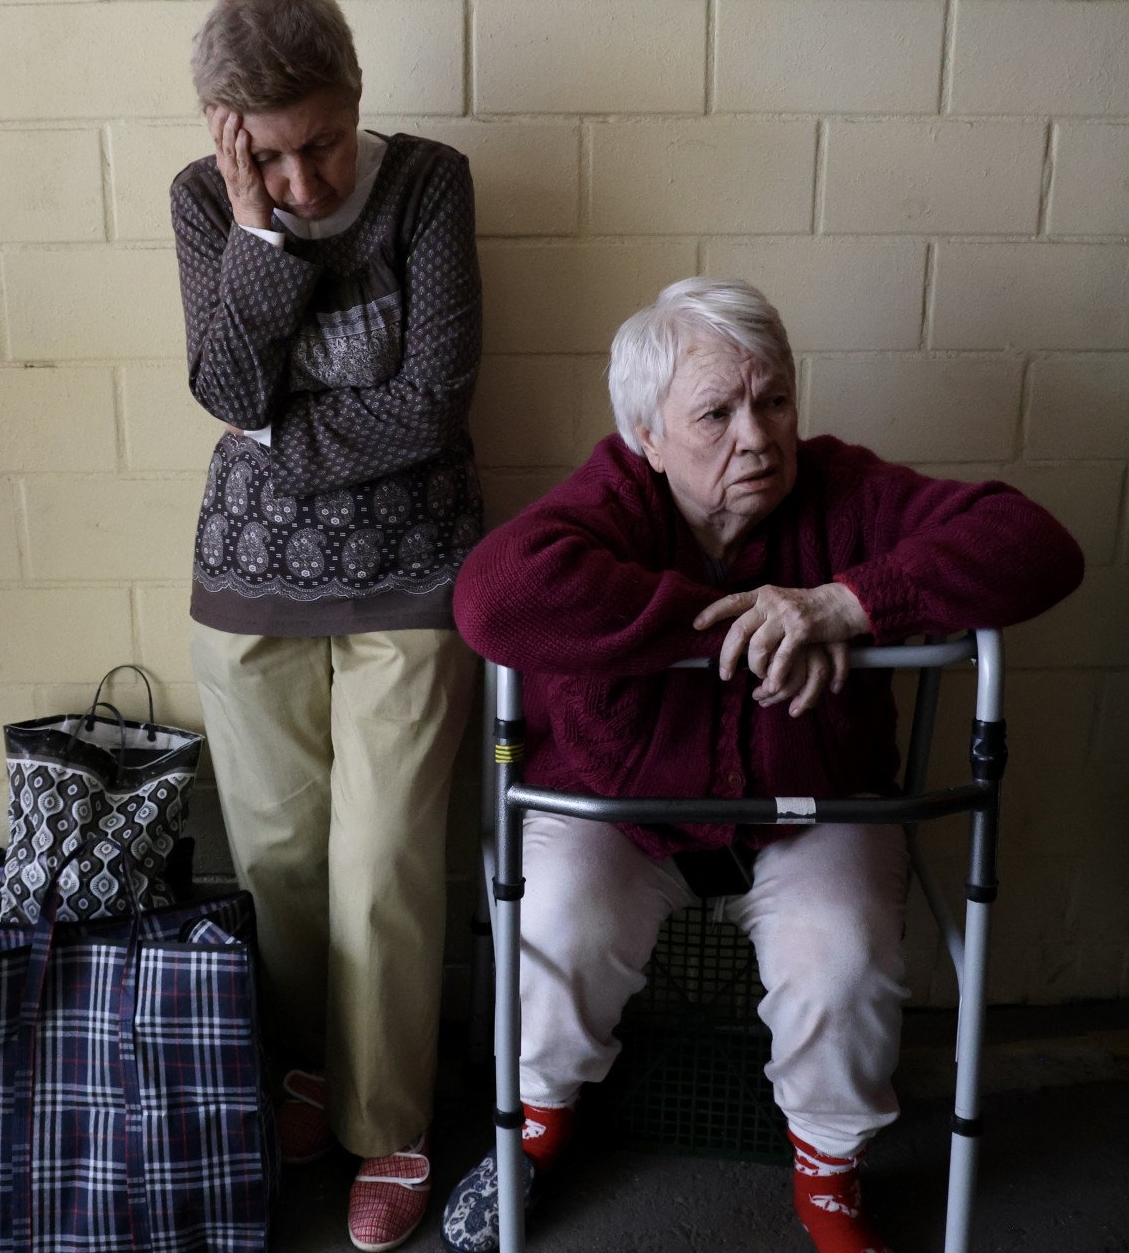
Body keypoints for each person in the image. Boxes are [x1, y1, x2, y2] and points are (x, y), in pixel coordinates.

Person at [440, 278, 1084, 1253]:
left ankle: (829, 1170)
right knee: (557, 919)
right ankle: (538, 1118)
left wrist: (846, 602)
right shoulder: (615, 497)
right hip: (621, 810)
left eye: (774, 398)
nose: (757, 434)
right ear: (648, 435)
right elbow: (492, 597)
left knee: (844, 950)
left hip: (812, 804)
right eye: (717, 411)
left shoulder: (846, 491)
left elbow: (1039, 546)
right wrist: (716, 623)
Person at [170, 0, 484, 1247]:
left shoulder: (431, 186)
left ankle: (389, 1123)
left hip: (413, 575)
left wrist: (269, 433)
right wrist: (258, 238)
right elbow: (222, 379)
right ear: (225, 129)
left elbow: (435, 403)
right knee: (283, 863)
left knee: (382, 866)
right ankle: (305, 1068)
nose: (305, 178)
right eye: (275, 152)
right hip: (247, 584)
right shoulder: (208, 202)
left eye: (325, 142)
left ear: (358, 99)